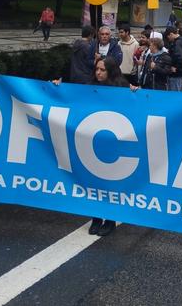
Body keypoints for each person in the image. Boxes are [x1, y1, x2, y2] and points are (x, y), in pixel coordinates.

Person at [56, 57, 136, 235]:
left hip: (114, 144)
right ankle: (96, 217)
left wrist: (135, 92)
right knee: (94, 181)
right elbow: (72, 99)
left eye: (102, 70)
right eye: (97, 69)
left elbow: (136, 108)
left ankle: (110, 219)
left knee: (111, 182)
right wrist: (57, 87)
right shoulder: (89, 86)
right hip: (92, 142)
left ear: (111, 71)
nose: (98, 73)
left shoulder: (122, 88)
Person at [164, 26, 182, 91]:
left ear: (171, 34)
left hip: (177, 73)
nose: (168, 38)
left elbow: (180, 57)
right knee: (180, 90)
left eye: (168, 36)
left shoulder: (177, 43)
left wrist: (176, 68)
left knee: (175, 92)